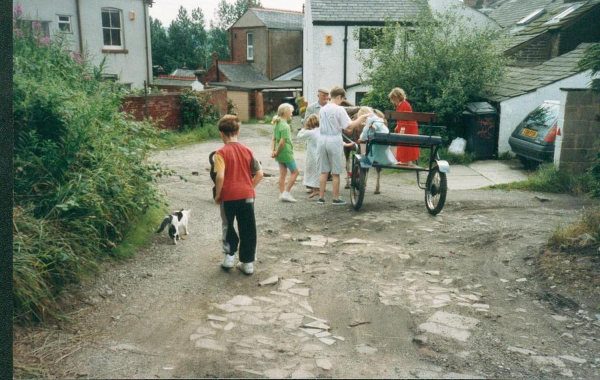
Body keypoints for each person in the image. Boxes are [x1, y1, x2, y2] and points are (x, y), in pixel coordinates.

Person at [213, 115, 264, 275]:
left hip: (228, 196)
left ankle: (229, 258)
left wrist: (218, 195)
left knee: (228, 226)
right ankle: (247, 263)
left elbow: (220, 176)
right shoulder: (248, 150)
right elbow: (260, 173)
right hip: (247, 195)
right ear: (238, 132)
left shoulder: (220, 153)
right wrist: (249, 186)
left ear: (221, 133)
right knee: (248, 228)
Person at [317, 86, 372, 205]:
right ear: (338, 97)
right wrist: (361, 117)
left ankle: (321, 197)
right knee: (336, 172)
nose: (341, 101)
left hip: (322, 140)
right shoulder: (339, 109)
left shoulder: (322, 109)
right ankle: (336, 198)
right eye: (341, 99)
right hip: (334, 139)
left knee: (324, 171)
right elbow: (349, 127)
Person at [271, 103, 299, 203]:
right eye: (291, 112)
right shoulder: (285, 126)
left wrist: (273, 151)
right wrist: (277, 152)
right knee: (295, 172)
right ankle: (286, 193)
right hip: (285, 152)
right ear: (286, 113)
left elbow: (274, 139)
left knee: (282, 174)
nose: (292, 113)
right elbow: (282, 143)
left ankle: (281, 193)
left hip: (278, 153)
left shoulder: (277, 123)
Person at [389, 87, 419, 165]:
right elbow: (400, 119)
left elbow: (405, 119)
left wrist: (402, 129)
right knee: (405, 143)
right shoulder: (401, 104)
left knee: (405, 143)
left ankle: (405, 161)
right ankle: (407, 161)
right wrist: (397, 126)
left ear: (398, 97)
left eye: (393, 98)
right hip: (406, 126)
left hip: (408, 127)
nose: (393, 101)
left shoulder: (404, 104)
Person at [297, 114, 321, 198]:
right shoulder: (320, 130)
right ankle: (318, 189)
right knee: (319, 172)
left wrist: (304, 128)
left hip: (312, 155)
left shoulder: (310, 132)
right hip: (320, 154)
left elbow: (299, 136)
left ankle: (315, 190)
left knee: (313, 171)